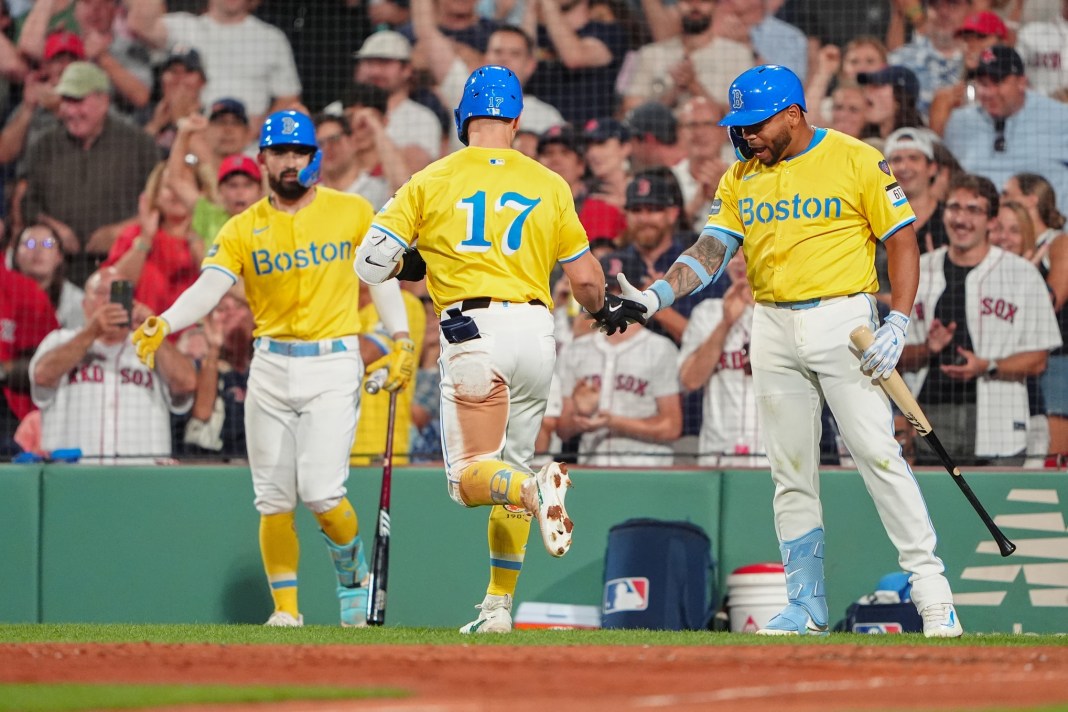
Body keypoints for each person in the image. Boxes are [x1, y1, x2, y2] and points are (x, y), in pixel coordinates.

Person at [598, 64, 965, 638]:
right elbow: (711, 249)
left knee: (877, 455)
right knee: (790, 471)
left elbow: (902, 239)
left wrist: (898, 320)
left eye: (755, 124)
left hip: (844, 318)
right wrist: (655, 295)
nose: (745, 136)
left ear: (794, 114)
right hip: (769, 323)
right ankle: (805, 604)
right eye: (739, 126)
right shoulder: (741, 175)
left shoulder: (856, 159)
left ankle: (932, 593)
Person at [355, 65, 640, 634]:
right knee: (511, 465)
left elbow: (369, 261)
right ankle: (497, 609)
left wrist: (418, 261)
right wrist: (602, 313)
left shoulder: (430, 179)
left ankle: (535, 491)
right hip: (537, 334)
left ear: (464, 117)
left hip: (472, 333)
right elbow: (586, 280)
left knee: (470, 480)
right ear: (515, 118)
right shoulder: (549, 182)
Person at [129, 110, 416, 628]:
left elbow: (382, 277)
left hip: (332, 361)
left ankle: (351, 575)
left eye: (299, 152)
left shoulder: (352, 210)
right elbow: (211, 286)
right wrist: (165, 322)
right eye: (280, 152)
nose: (289, 161)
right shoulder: (241, 227)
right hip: (270, 365)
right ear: (262, 159)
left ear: (315, 158)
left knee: (323, 492)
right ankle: (286, 611)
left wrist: (400, 337)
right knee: (273, 499)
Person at [898, 173, 1061, 466]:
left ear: (991, 220)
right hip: (931, 420)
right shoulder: (919, 270)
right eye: (954, 208)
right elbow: (895, 357)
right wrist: (927, 349)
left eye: (973, 210)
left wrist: (988, 365)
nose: (962, 219)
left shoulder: (1022, 275)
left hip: (998, 425)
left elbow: (1038, 359)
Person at [29, 267, 197, 464]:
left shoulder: (151, 346)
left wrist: (154, 333)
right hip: (73, 480)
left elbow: (187, 383)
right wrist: (91, 332)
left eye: (118, 293)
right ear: (84, 305)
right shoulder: (60, 340)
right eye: (101, 293)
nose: (110, 301)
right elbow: (42, 376)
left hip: (142, 480)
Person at [21, 61, 160, 285]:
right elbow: (28, 203)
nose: (70, 111)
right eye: (66, 101)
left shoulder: (138, 144)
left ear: (104, 101)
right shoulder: (45, 145)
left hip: (122, 268)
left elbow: (159, 203)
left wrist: (122, 231)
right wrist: (54, 230)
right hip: (58, 275)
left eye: (78, 101)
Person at [556, 253, 682, 466]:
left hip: (648, 471)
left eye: (621, 290)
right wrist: (580, 418)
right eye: (609, 289)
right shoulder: (576, 350)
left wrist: (615, 422)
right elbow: (563, 430)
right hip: (593, 471)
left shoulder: (660, 348)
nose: (616, 297)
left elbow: (671, 426)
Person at [943, 46, 1068, 216]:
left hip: (1048, 234)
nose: (989, 92)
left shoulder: (1059, 117)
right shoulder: (960, 122)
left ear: (1022, 82)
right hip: (981, 233)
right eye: (983, 83)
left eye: (998, 82)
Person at [678, 251, 765, 467]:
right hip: (717, 453)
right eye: (731, 255)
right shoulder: (707, 312)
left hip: (774, 455)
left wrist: (757, 308)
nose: (737, 262)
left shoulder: (785, 312)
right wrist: (724, 324)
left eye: (745, 252)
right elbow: (690, 380)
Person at [12, 223, 85, 329]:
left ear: (59, 256)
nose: (38, 250)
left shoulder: (77, 301)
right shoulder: (4, 294)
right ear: (16, 255)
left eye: (48, 244)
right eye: (30, 244)